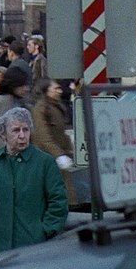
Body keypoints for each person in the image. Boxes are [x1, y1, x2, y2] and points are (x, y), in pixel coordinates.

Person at [0, 107, 68, 256]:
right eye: (16, 130)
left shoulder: (44, 162)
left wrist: (45, 231)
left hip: (33, 248)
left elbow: (58, 202)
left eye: (26, 130)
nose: (22, 135)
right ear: (3, 134)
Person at [31, 78, 79, 208]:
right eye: (55, 88)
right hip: (47, 157)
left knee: (60, 193)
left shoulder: (56, 106)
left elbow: (62, 133)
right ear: (46, 90)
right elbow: (42, 135)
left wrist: (69, 152)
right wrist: (59, 155)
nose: (60, 91)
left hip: (56, 155)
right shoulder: (41, 108)